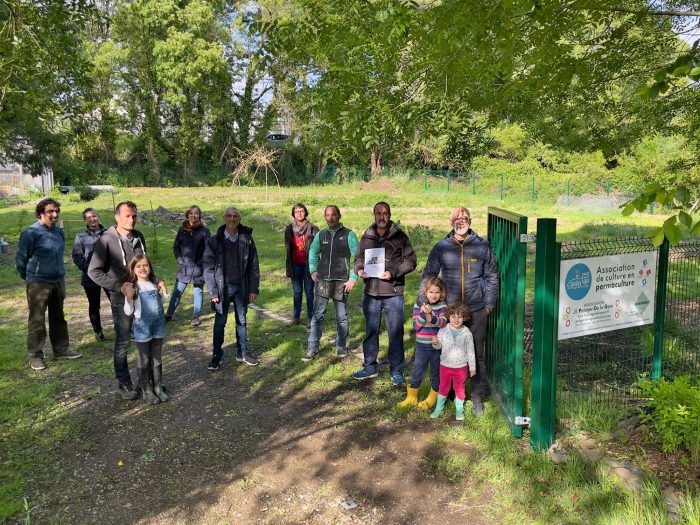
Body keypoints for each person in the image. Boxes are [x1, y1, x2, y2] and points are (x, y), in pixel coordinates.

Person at [422, 206, 498, 416]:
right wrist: (424, 301)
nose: (460, 221)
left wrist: (489, 305)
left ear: (470, 221)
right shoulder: (441, 247)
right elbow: (428, 274)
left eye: (464, 218)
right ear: (451, 222)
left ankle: (476, 398)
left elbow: (492, 275)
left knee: (477, 355)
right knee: (447, 353)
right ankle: (447, 394)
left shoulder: (482, 246)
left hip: (476, 310)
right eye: (456, 218)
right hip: (450, 312)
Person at [88, 201, 166, 400]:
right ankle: (124, 383)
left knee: (147, 340)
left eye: (134, 216)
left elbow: (143, 264)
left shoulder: (139, 236)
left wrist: (156, 281)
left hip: (144, 299)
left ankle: (148, 383)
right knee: (123, 341)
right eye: (127, 216)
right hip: (120, 300)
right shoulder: (106, 240)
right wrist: (118, 286)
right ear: (117, 217)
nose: (132, 220)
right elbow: (93, 271)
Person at [351, 202, 417, 384]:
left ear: (390, 215)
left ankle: (396, 371)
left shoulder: (400, 237)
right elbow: (357, 259)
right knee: (371, 331)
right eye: (379, 213)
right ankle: (370, 367)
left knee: (395, 332)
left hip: (393, 294)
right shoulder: (366, 237)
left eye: (385, 213)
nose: (382, 217)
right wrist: (359, 270)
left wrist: (393, 272)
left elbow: (411, 261)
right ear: (374, 215)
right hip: (371, 293)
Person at [16, 198, 82, 370]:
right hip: (38, 282)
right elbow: (21, 259)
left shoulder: (59, 232)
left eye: (56, 211)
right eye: (50, 211)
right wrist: (30, 276)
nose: (54, 214)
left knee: (58, 317)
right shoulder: (31, 233)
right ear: (40, 213)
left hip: (58, 280)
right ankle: (35, 355)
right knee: (37, 320)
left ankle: (61, 349)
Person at [203, 207, 260, 370]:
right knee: (220, 321)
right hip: (222, 289)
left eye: (235, 216)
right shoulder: (214, 241)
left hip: (242, 287)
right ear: (224, 218)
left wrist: (253, 289)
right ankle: (216, 355)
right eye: (229, 215)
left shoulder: (247, 239)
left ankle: (242, 352)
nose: (232, 218)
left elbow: (254, 266)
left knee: (241, 320)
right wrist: (213, 291)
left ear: (239, 219)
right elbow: (208, 268)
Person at [303, 205, 358, 361]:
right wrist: (313, 270)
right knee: (317, 316)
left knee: (341, 317)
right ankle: (312, 348)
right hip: (323, 281)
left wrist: (353, 279)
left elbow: (359, 258)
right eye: (327, 215)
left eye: (333, 214)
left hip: (342, 282)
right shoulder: (321, 235)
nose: (331, 217)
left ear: (339, 216)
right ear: (325, 217)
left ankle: (341, 346)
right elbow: (312, 253)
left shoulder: (349, 235)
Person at [124, 255, 169, 405]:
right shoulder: (133, 287)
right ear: (133, 269)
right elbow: (128, 311)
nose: (143, 268)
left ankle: (158, 387)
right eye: (139, 266)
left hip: (158, 324)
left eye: (145, 265)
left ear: (150, 267)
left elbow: (159, 303)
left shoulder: (152, 284)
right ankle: (147, 390)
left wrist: (164, 291)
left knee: (157, 357)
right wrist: (129, 298)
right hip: (142, 327)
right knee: (144, 359)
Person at [399, 277, 448, 409]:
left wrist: (432, 317)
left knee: (435, 372)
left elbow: (443, 322)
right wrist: (422, 315)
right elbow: (416, 326)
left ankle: (432, 398)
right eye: (431, 292)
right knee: (418, 371)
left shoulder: (442, 306)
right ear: (425, 293)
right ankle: (412, 397)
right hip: (421, 346)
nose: (434, 295)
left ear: (441, 293)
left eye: (437, 292)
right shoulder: (418, 306)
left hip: (437, 347)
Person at [164, 205, 211, 327]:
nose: (193, 215)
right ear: (187, 215)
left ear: (199, 216)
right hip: (184, 268)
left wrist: (203, 265)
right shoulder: (182, 230)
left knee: (198, 291)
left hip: (199, 268)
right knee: (177, 292)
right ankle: (169, 314)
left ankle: (196, 316)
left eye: (196, 213)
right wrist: (180, 260)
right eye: (191, 213)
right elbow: (176, 247)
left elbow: (208, 250)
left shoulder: (204, 231)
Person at [430, 302, 476, 421]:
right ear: (449, 316)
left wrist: (472, 367)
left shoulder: (467, 333)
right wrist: (435, 343)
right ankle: (438, 409)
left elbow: (471, 351)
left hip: (461, 368)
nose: (456, 319)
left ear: (464, 317)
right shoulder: (443, 329)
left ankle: (459, 411)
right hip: (445, 366)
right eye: (453, 316)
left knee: (459, 388)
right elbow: (438, 347)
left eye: (459, 316)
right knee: (443, 387)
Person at [72, 207, 110, 341]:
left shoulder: (109, 234)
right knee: (94, 305)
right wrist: (89, 269)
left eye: (94, 216)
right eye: (88, 218)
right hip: (90, 277)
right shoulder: (81, 237)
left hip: (109, 276)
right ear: (85, 221)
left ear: (98, 217)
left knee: (116, 302)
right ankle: (98, 331)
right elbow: (77, 257)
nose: (92, 219)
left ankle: (124, 328)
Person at [284, 203, 319, 327]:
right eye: (297, 211)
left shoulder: (313, 228)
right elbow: (288, 249)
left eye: (302, 211)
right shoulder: (289, 229)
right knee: (297, 292)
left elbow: (319, 247)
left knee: (310, 292)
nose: (299, 213)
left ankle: (311, 318)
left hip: (309, 265)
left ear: (306, 212)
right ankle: (296, 317)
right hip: (295, 265)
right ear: (293, 214)